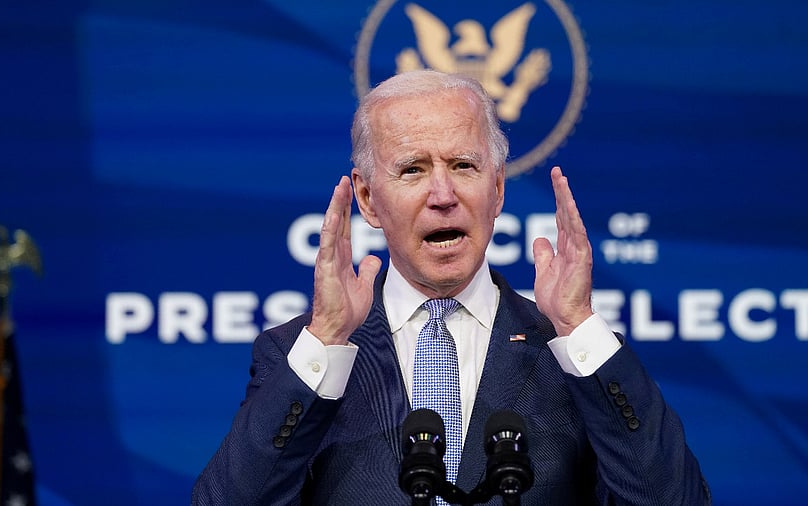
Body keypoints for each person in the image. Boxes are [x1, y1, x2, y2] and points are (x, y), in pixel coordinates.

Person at [192, 70, 710, 505]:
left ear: (498, 187)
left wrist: (577, 327)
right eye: (413, 170)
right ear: (369, 200)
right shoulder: (301, 355)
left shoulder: (571, 353)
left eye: (463, 165)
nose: (444, 194)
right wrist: (326, 338)